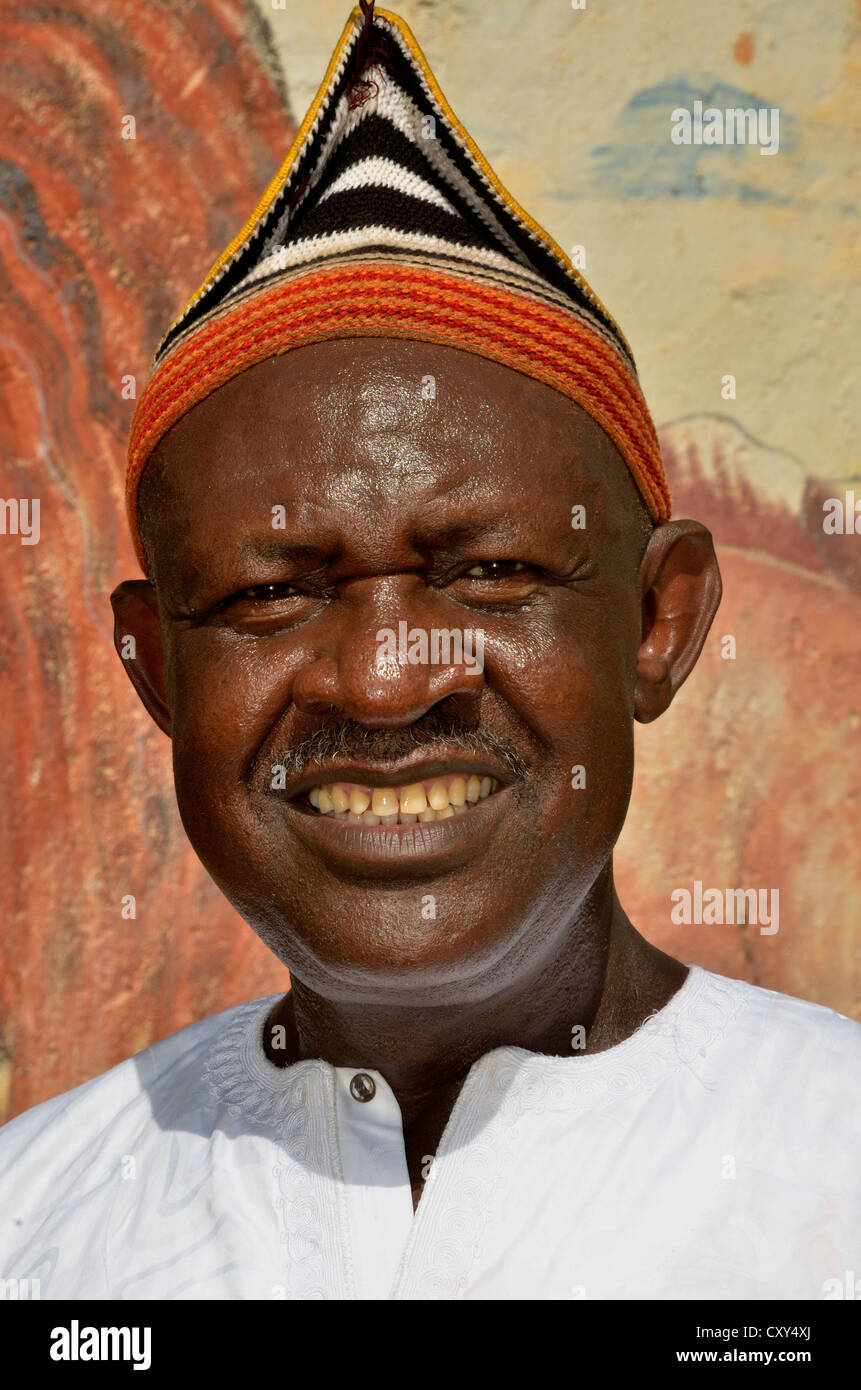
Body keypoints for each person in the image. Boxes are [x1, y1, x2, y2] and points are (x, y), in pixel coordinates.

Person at [1, 1, 858, 1301]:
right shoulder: (39, 1230)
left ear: (655, 622)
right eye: (269, 594)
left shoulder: (828, 1172)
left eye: (490, 574)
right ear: (155, 673)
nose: (388, 676)